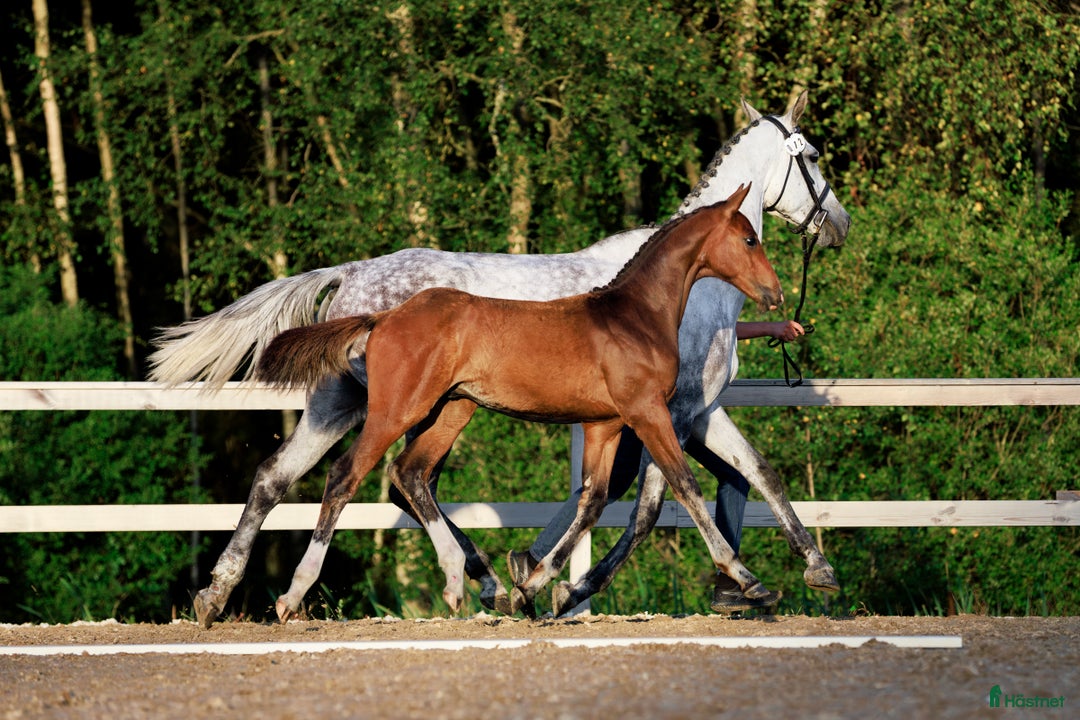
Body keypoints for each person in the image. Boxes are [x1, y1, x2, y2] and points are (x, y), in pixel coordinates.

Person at [513, 319, 806, 615]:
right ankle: (728, 585)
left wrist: (771, 329)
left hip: (667, 405)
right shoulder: (689, 281)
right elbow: (707, 325)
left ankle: (533, 558)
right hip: (665, 406)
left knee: (619, 482)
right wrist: (770, 327)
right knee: (727, 477)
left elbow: (717, 324)